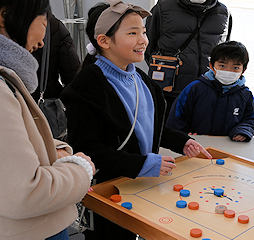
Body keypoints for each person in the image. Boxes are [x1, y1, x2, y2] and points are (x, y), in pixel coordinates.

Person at [60, 1, 212, 239]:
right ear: (104, 41)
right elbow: (87, 149)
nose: (144, 39)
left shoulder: (141, 78)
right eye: (132, 33)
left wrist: (182, 142)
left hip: (142, 186)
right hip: (109, 191)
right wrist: (141, 164)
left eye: (143, 31)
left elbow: (148, 127)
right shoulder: (84, 88)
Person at [0, 0, 95, 240]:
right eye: (43, 22)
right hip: (32, 230)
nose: (43, 40)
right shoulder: (2, 89)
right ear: (4, 16)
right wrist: (81, 170)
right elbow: (24, 193)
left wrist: (56, 150)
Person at [145, 0, 232, 119]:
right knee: (168, 131)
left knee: (201, 133)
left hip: (207, 89)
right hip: (170, 90)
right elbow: (148, 46)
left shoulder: (223, 12)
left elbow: (224, 50)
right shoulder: (163, 8)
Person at [167, 41, 254, 142]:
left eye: (235, 68)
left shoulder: (245, 94)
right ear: (211, 66)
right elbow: (177, 115)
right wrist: (182, 136)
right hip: (195, 143)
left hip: (229, 145)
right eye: (222, 66)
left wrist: (243, 131)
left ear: (243, 70)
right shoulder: (195, 88)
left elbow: (253, 118)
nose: (228, 71)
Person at [31, 13, 80, 102]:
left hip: (10, 101)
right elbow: (73, 77)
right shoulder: (53, 25)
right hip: (46, 104)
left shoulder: (5, 26)